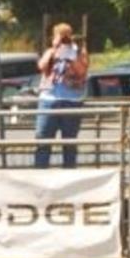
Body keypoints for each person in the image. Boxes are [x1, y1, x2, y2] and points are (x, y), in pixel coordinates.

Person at [34, 22, 89, 170]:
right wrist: (55, 49)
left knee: (69, 144)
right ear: (54, 37)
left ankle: (69, 175)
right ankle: (39, 176)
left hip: (71, 101)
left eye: (66, 37)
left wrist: (71, 57)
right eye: (60, 36)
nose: (64, 40)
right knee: (42, 142)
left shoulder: (79, 52)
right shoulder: (50, 51)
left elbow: (82, 72)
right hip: (49, 100)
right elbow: (41, 66)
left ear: (71, 36)